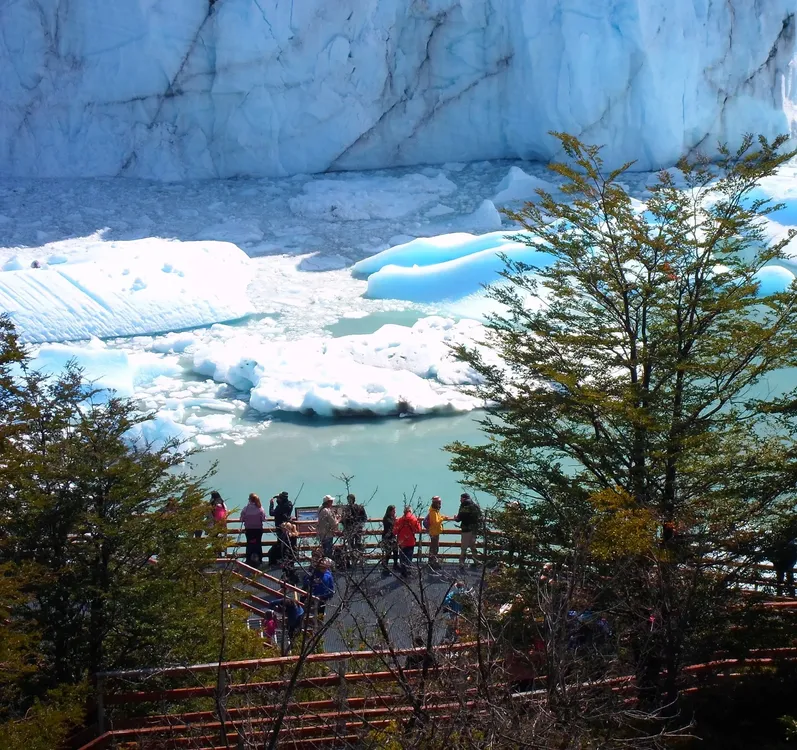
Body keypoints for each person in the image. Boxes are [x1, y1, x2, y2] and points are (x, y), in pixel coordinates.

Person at [454, 493, 481, 570]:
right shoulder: (475, 505)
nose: (460, 500)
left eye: (461, 498)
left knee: (464, 547)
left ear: (464, 498)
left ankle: (461, 563)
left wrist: (456, 518)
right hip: (474, 529)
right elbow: (479, 515)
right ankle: (476, 561)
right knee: (472, 545)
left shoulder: (465, 505)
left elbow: (460, 517)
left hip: (466, 529)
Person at [303, 557, 335, 621]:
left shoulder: (328, 574)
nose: (324, 569)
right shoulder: (314, 573)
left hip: (323, 596)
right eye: (323, 568)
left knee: (321, 610)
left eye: (326, 568)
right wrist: (312, 581)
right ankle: (305, 621)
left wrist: (330, 593)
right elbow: (305, 580)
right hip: (313, 595)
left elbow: (331, 584)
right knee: (308, 609)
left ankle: (320, 621)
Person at [393, 506, 422, 578]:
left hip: (401, 542)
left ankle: (403, 573)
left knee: (402, 558)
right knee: (409, 558)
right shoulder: (414, 519)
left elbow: (394, 532)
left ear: (404, 512)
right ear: (410, 511)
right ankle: (408, 572)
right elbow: (419, 529)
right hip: (410, 542)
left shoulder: (399, 520)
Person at [240, 493, 266, 566]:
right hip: (258, 529)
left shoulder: (246, 509)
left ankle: (248, 559)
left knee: (249, 544)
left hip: (249, 529)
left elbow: (241, 519)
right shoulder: (260, 508)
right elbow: (263, 519)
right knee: (258, 544)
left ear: (249, 499)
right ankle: (259, 559)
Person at [341, 493, 367, 562]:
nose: (349, 500)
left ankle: (358, 559)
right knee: (351, 545)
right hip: (350, 530)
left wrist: (357, 522)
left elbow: (364, 518)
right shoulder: (346, 509)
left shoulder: (359, 507)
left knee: (357, 544)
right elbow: (343, 520)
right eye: (348, 499)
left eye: (350, 499)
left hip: (357, 529)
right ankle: (353, 560)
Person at [425, 496, 448, 572]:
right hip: (434, 532)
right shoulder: (433, 512)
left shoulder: (435, 511)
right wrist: (443, 519)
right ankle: (432, 563)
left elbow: (437, 518)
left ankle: (432, 562)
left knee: (434, 547)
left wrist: (442, 517)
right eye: (439, 503)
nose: (440, 504)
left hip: (435, 532)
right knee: (434, 548)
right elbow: (436, 522)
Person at [381, 505, 399, 576]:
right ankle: (385, 568)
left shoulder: (392, 518)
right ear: (390, 511)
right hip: (388, 537)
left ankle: (395, 565)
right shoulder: (386, 519)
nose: (394, 512)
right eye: (393, 511)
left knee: (395, 551)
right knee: (388, 553)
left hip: (393, 536)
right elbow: (390, 527)